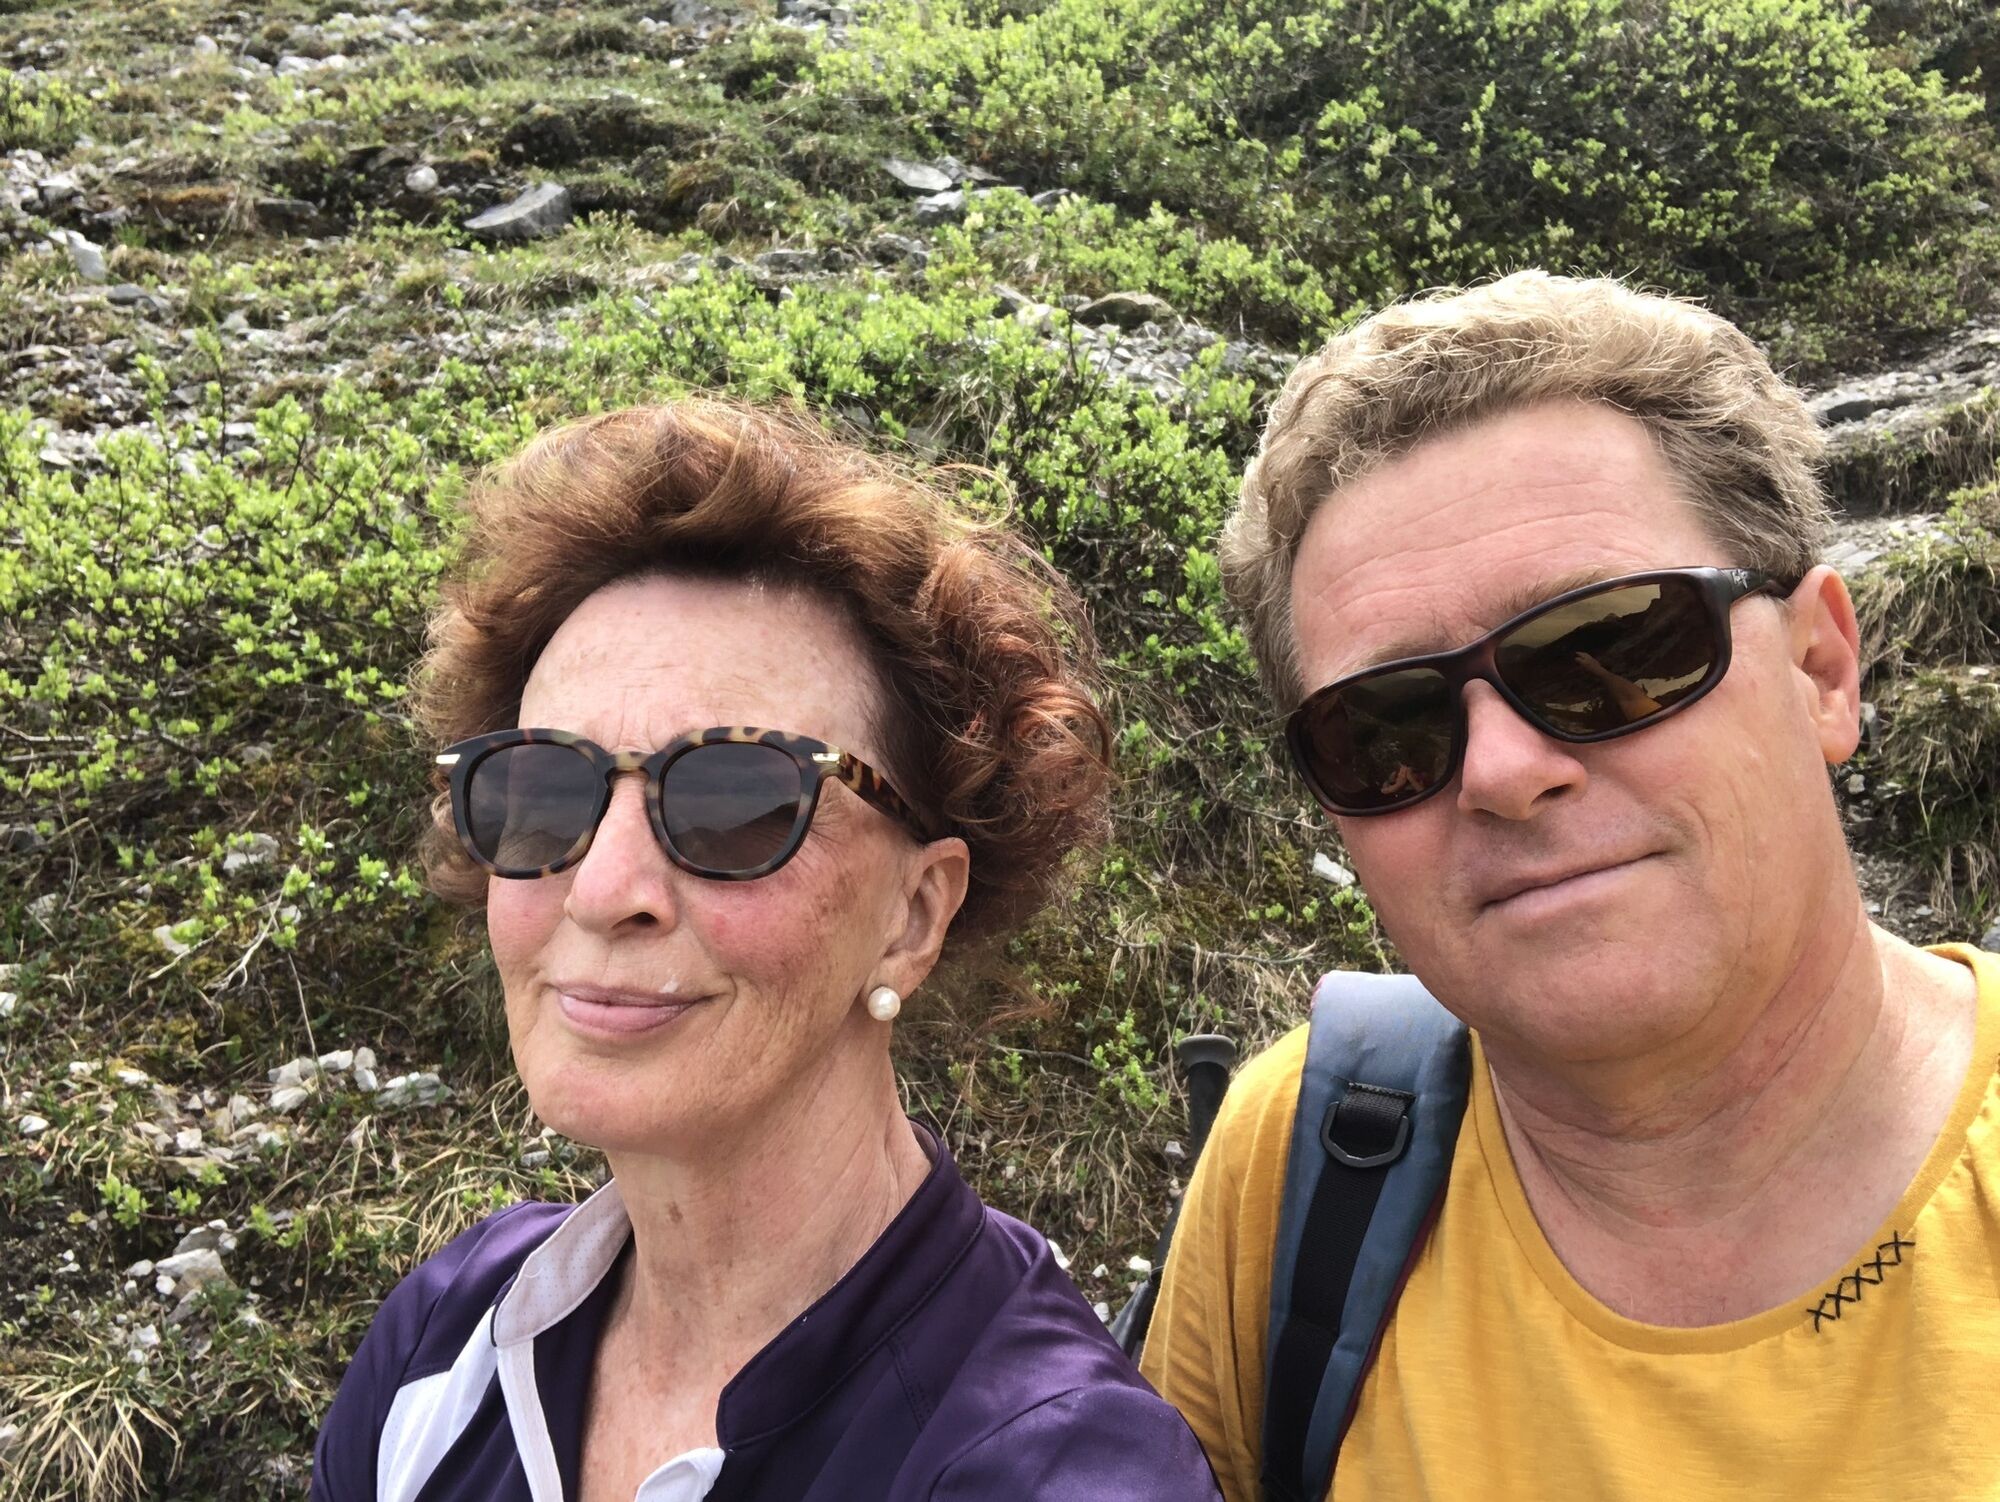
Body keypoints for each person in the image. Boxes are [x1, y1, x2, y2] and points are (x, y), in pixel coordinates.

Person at [1141, 272, 1999, 1501]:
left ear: (1819, 668)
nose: (1500, 770)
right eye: (1385, 727)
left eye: (1604, 648)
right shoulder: (1293, 1166)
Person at [311, 400, 1223, 1502]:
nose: (601, 890)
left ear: (912, 914)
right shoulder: (446, 1333)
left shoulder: (1053, 1469)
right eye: (539, 791)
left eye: (736, 800)